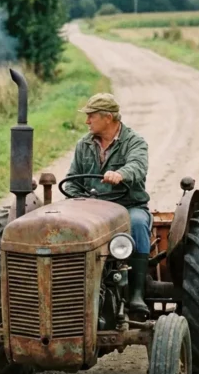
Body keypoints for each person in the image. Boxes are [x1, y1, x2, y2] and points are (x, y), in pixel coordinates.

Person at [63, 93, 151, 321]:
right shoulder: (84, 144)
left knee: (138, 223)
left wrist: (121, 174)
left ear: (108, 117)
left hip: (127, 207)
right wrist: (77, 198)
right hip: (91, 209)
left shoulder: (134, 142)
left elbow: (138, 166)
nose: (87, 121)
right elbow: (72, 180)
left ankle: (137, 294)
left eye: (91, 116)